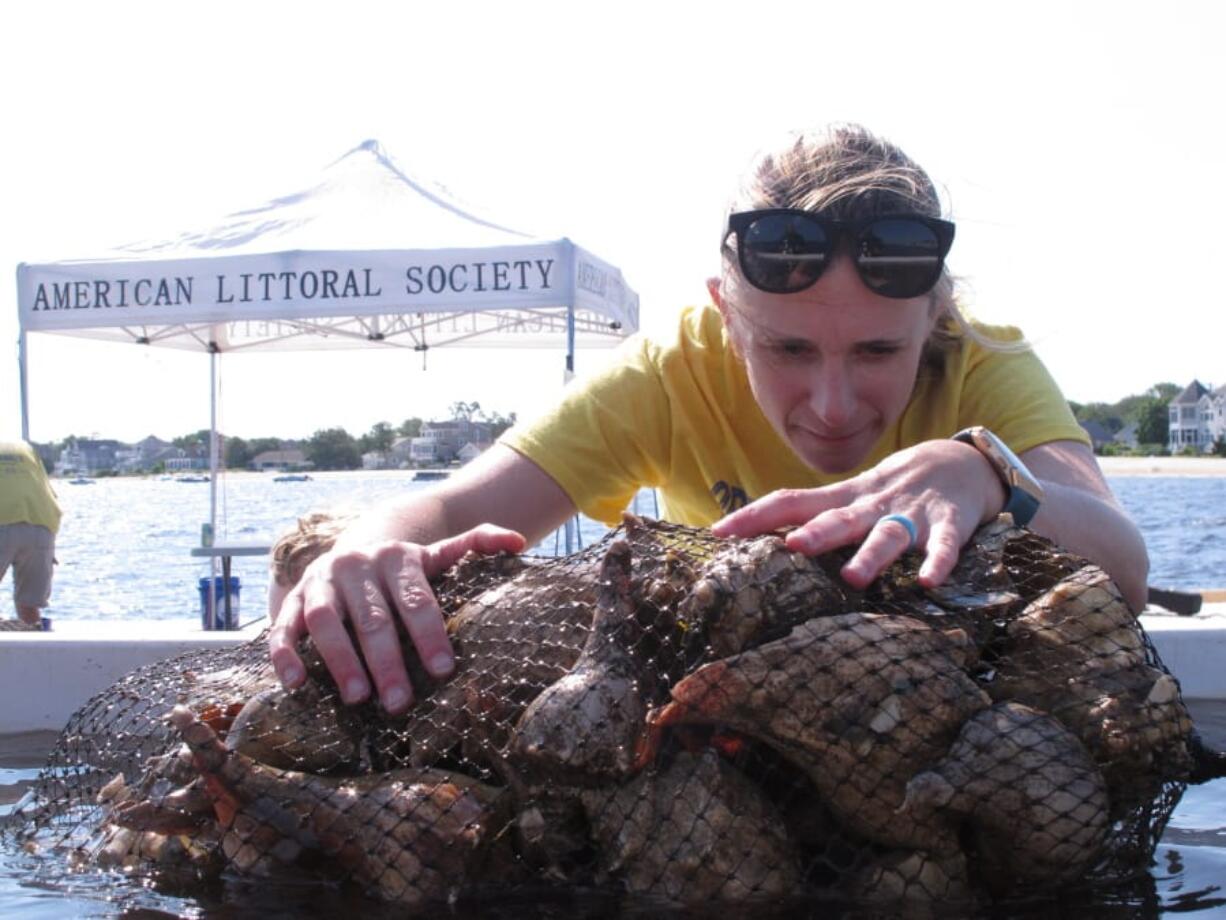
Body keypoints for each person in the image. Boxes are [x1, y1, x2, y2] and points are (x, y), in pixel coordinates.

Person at [268, 123, 1148, 716]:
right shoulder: (672, 369)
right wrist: (366, 546)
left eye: (879, 353)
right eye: (789, 351)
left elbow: (1124, 566)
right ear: (726, 315)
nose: (834, 406)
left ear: (935, 319)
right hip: (716, 718)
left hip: (941, 709)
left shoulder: (985, 360)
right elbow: (455, 513)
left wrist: (989, 475)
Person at [0, 440, 62, 626]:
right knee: (28, 605)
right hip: (42, 524)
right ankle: (32, 637)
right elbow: (45, 489)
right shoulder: (24, 449)